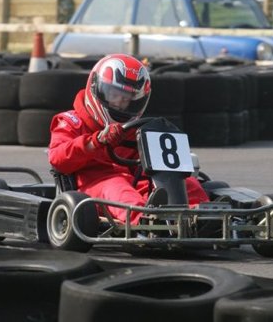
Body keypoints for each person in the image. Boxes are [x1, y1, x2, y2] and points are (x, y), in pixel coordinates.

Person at [48, 53, 209, 225]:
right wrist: (95, 141)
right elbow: (58, 159)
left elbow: (140, 166)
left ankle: (200, 217)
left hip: (132, 180)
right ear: (96, 87)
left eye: (127, 98)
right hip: (94, 184)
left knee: (185, 182)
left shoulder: (133, 128)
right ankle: (145, 222)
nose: (119, 103)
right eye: (114, 94)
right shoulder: (70, 121)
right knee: (119, 188)